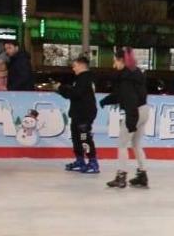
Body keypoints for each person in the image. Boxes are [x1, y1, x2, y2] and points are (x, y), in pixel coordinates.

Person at [99, 48, 151, 189]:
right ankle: (142, 175)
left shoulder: (126, 78)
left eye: (115, 61)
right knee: (136, 144)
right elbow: (121, 95)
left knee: (122, 144)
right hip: (144, 110)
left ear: (121, 61)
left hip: (135, 111)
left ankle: (121, 176)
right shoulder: (134, 74)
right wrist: (106, 100)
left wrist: (131, 120)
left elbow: (129, 99)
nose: (114, 64)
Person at [57, 55, 99, 174]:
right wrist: (62, 90)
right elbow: (73, 94)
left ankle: (92, 162)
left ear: (81, 65)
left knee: (84, 137)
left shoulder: (86, 78)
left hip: (84, 113)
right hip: (77, 112)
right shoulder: (80, 78)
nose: (73, 69)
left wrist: (62, 89)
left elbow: (76, 93)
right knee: (76, 138)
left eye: (74, 66)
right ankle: (80, 160)